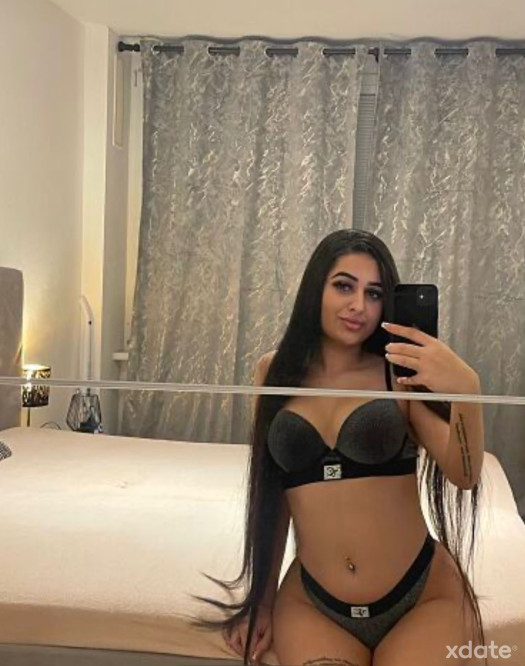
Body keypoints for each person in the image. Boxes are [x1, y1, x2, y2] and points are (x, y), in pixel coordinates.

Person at [189, 229, 487, 666]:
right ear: (316, 289)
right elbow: (273, 496)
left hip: (421, 598)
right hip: (315, 606)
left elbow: (464, 473)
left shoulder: (395, 373)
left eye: (374, 294)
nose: (358, 306)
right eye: (344, 286)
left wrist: (467, 390)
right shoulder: (274, 372)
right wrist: (263, 600)